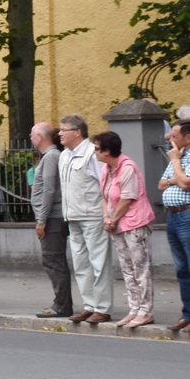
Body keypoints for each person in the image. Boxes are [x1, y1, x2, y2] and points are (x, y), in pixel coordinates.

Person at [93, 131, 155, 328]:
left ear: (107, 151)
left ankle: (146, 311)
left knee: (140, 268)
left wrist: (113, 219)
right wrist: (106, 217)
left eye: (96, 149)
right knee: (127, 268)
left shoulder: (127, 167)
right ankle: (134, 308)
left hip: (134, 223)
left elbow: (127, 198)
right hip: (117, 225)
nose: (94, 152)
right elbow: (104, 196)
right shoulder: (107, 169)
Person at [58, 114, 115, 324]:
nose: (60, 133)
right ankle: (89, 306)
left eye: (64, 130)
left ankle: (103, 307)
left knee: (99, 263)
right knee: (81, 264)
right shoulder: (64, 155)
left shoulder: (92, 153)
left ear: (77, 132)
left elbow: (105, 185)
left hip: (92, 216)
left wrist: (107, 213)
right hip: (73, 216)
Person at [29, 121, 73, 318]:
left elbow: (49, 190)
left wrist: (41, 219)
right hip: (52, 217)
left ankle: (61, 305)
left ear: (40, 137)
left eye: (32, 134)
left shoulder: (51, 157)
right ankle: (62, 303)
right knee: (54, 260)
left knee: (53, 261)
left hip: (52, 218)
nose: (31, 138)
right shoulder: (53, 156)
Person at [159, 121, 190, 333]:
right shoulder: (176, 156)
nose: (170, 139)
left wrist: (176, 164)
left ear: (188, 137)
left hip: (187, 215)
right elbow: (161, 184)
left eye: (175, 136)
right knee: (182, 269)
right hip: (172, 216)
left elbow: (187, 184)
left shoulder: (176, 157)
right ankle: (187, 314)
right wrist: (176, 178)